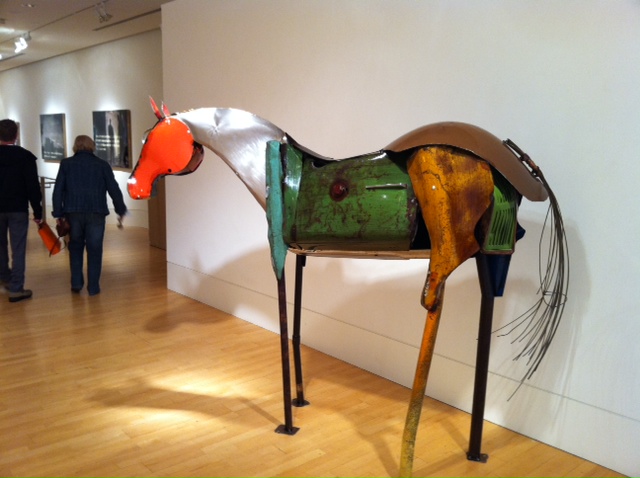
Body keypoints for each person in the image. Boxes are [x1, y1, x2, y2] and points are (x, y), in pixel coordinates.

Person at [52, 135, 127, 296]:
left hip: (73, 213)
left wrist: (58, 213)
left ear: (75, 146)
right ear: (92, 146)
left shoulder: (66, 164)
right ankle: (93, 287)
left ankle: (76, 283)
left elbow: (58, 190)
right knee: (95, 249)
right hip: (96, 212)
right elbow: (113, 189)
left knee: (75, 247)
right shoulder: (102, 165)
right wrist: (120, 209)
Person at [0, 119, 43, 302]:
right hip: (18, 209)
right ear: (16, 135)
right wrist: (38, 212)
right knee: (18, 249)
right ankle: (16, 288)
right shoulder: (25, 157)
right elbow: (33, 187)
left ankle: (4, 277)